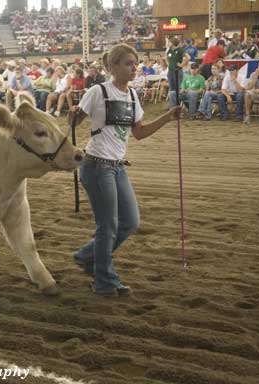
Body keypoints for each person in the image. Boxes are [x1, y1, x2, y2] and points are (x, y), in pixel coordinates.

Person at [69, 44, 181, 297]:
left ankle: (87, 256)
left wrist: (167, 117)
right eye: (129, 63)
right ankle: (105, 282)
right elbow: (75, 122)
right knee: (107, 225)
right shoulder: (98, 92)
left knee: (129, 222)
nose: (134, 68)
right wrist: (73, 114)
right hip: (97, 166)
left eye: (135, 63)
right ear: (113, 66)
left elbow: (139, 133)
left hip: (117, 167)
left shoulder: (132, 96)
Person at [166, 37, 184, 109]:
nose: (168, 43)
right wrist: (169, 64)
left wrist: (182, 65)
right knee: (171, 88)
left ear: (173, 43)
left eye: (169, 42)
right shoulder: (170, 50)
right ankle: (172, 105)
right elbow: (166, 57)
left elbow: (188, 57)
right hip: (170, 71)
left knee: (177, 89)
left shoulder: (179, 50)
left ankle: (177, 105)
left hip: (177, 71)